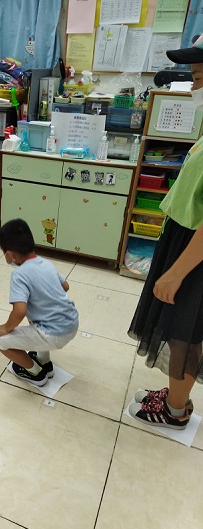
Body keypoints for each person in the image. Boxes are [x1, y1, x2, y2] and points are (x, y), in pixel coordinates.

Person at [128, 36, 203, 430]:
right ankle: (178, 397)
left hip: (195, 252)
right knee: (182, 328)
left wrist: (176, 272)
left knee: (183, 333)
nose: (193, 88)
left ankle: (175, 411)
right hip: (185, 240)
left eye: (200, 78)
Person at [0, 219, 79, 386]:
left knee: (0, 341)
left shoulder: (19, 275)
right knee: (37, 319)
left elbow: (19, 311)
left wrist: (5, 327)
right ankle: (45, 362)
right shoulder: (47, 264)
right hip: (72, 324)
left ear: (9, 254)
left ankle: (35, 373)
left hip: (53, 334)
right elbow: (65, 286)